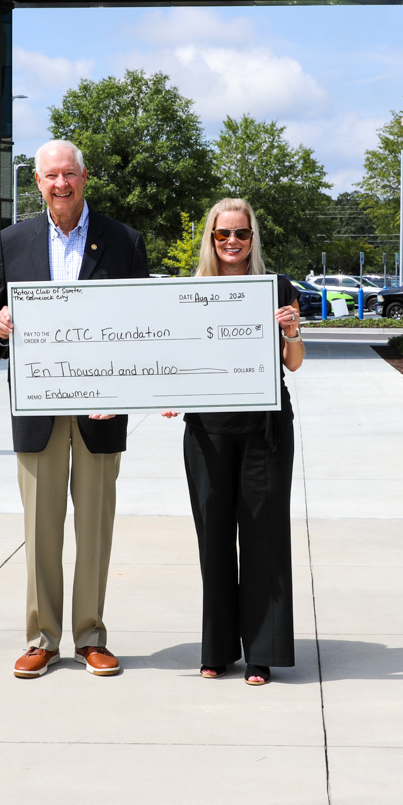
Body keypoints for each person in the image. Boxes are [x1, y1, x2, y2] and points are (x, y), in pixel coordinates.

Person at [0, 139, 149, 680]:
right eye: (51, 176)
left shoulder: (123, 241)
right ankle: (42, 639)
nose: (61, 185)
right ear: (37, 182)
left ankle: (91, 636)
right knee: (42, 528)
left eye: (69, 175)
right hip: (37, 411)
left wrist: (122, 392)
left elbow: (142, 328)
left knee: (95, 529)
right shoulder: (13, 241)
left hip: (100, 412)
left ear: (85, 177)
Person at [164, 198, 304, 686]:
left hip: (265, 431)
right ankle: (218, 648)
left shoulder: (277, 287)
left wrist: (292, 331)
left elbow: (294, 363)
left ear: (252, 238)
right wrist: (166, 392)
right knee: (215, 541)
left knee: (265, 539)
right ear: (211, 238)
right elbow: (176, 357)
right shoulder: (191, 292)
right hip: (207, 432)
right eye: (222, 234)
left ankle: (262, 652)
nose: (231, 242)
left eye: (240, 234)